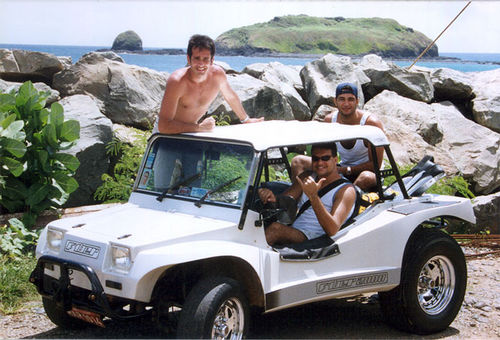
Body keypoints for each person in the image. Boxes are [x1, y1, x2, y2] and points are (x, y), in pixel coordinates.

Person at [156, 34, 262, 134]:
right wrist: (200, 128)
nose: (201, 64)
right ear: (188, 59)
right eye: (197, 58)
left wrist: (246, 120)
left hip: (190, 132)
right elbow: (164, 126)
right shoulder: (177, 81)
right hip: (165, 135)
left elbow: (230, 97)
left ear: (212, 60)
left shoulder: (218, 75)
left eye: (206, 59)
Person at [258, 142, 357, 246]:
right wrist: (272, 198)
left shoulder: (346, 190)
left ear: (335, 160)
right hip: (294, 228)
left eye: (325, 158)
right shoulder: (308, 176)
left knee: (275, 229)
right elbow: (286, 200)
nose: (320, 163)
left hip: (314, 237)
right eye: (316, 159)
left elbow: (332, 229)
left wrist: (313, 196)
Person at [291, 82, 384, 191]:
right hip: (341, 168)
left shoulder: (370, 123)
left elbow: (375, 165)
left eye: (350, 99)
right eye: (342, 99)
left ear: (357, 101)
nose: (346, 104)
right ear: (335, 101)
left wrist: (346, 170)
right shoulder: (329, 121)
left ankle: (347, 200)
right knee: (298, 160)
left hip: (369, 173)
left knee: (366, 177)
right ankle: (300, 199)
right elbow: (323, 151)